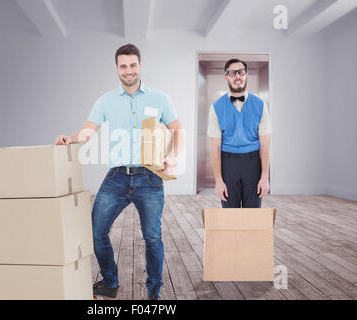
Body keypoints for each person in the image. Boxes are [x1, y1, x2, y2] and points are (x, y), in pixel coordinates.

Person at [55, 44, 183, 300]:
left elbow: (177, 128)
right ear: (116, 68)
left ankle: (154, 293)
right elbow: (88, 130)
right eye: (123, 66)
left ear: (140, 65)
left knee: (153, 238)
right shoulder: (106, 101)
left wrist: (172, 156)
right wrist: (70, 138)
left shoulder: (160, 98)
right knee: (95, 232)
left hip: (149, 177)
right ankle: (110, 282)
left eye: (133, 65)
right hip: (116, 178)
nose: (128, 71)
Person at [207, 58, 271, 208]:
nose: (237, 76)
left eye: (241, 72)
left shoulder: (261, 105)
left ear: (247, 75)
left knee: (253, 215)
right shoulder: (216, 107)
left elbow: (265, 144)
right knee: (230, 215)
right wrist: (218, 180)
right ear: (226, 77)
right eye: (232, 73)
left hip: (253, 164)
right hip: (228, 165)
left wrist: (264, 177)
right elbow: (215, 148)